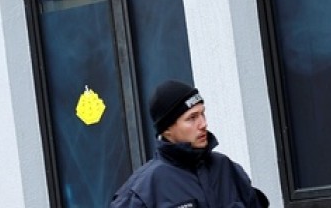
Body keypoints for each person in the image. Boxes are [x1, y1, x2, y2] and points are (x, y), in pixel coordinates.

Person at [111, 79, 269, 208]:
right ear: (167, 129)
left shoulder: (226, 169)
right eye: (192, 118)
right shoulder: (143, 190)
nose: (203, 124)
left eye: (202, 114)